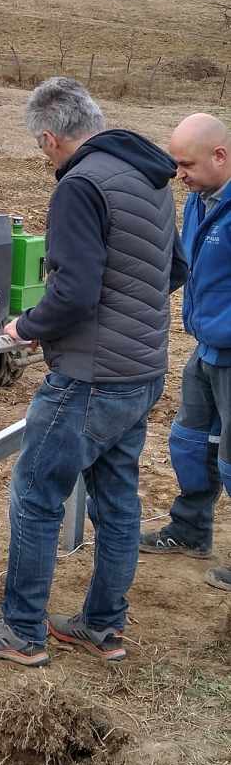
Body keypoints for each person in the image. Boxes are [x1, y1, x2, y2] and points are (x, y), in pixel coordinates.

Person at [0, 76, 186, 668]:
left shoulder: (80, 185)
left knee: (36, 495)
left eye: (41, 148)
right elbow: (174, 269)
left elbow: (75, 292)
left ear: (50, 137)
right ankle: (102, 625)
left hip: (89, 381)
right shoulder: (150, 180)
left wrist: (23, 328)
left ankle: (21, 631)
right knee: (117, 500)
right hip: (142, 373)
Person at [139, 112, 231, 589]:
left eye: (187, 164)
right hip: (206, 347)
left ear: (220, 155)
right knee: (192, 442)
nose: (180, 174)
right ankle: (191, 530)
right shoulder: (201, 199)